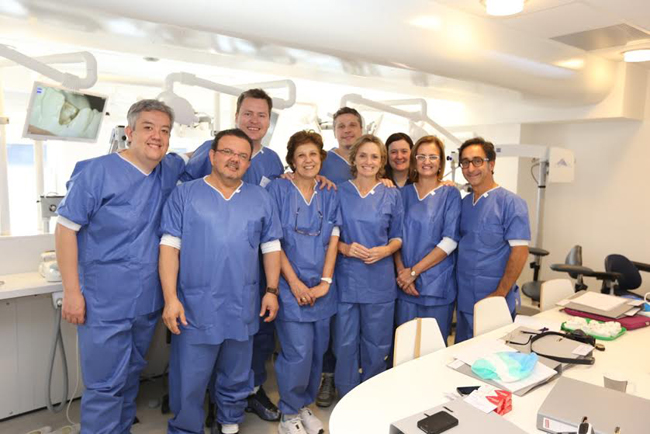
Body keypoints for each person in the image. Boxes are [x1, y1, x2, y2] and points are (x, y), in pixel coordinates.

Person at [55, 99, 187, 434]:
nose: (156, 136)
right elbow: (66, 229)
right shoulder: (96, 173)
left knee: (129, 378)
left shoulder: (168, 169)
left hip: (145, 300)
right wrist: (72, 292)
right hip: (103, 301)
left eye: (164, 131)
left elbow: (211, 156)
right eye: (148, 128)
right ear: (129, 131)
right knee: (105, 386)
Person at [159, 128, 282, 434]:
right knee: (190, 378)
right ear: (212, 156)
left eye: (242, 155)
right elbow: (169, 247)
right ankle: (186, 429)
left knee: (236, 373)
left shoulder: (260, 198)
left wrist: (271, 290)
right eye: (227, 152)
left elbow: (271, 247)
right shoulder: (186, 194)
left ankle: (229, 423)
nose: (234, 159)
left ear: (249, 163)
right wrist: (170, 298)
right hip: (195, 305)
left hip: (242, 302)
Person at [182, 88, 284, 422]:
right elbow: (187, 196)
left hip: (255, 269)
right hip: (210, 268)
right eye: (248, 113)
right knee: (208, 343)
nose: (254, 120)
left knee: (257, 338)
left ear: (269, 120)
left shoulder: (272, 160)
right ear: (236, 115)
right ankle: (213, 402)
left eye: (261, 115)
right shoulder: (207, 152)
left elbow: (275, 207)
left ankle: (249, 393)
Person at [267, 130, 341, 434]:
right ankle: (288, 413)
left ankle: (303, 405)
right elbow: (273, 240)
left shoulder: (330, 192)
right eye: (301, 155)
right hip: (290, 286)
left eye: (313, 154)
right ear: (292, 161)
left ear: (320, 158)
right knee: (297, 352)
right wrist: (295, 283)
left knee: (317, 351)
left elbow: (334, 237)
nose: (308, 160)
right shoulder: (278, 189)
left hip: (322, 288)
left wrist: (325, 282)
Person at [333, 134, 404, 397]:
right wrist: (345, 248)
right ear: (354, 159)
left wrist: (386, 250)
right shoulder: (338, 192)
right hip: (347, 279)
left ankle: (371, 396)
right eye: (363, 155)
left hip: (379, 281)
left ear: (382, 161)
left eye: (374, 156)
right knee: (345, 342)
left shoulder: (391, 194)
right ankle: (347, 394)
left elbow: (398, 236)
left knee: (377, 343)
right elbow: (329, 235)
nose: (368, 161)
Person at [455, 137, 531, 343]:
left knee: (492, 354)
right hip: (464, 297)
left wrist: (501, 292)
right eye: (465, 162)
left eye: (477, 161)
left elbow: (520, 252)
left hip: (495, 297)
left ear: (491, 164)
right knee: (462, 351)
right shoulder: (464, 204)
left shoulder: (511, 203)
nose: (471, 168)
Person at [394, 136, 461, 342]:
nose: (427, 161)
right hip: (405, 285)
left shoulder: (450, 194)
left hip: (436, 285)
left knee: (433, 348)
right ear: (414, 160)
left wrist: (414, 272)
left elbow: (450, 241)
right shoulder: (402, 194)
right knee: (404, 347)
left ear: (441, 162)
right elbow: (394, 237)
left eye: (433, 156)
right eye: (421, 156)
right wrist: (403, 274)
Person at [318, 107, 363, 185]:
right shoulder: (321, 161)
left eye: (352, 125)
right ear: (334, 132)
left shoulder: (372, 161)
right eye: (341, 126)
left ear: (361, 130)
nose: (347, 130)